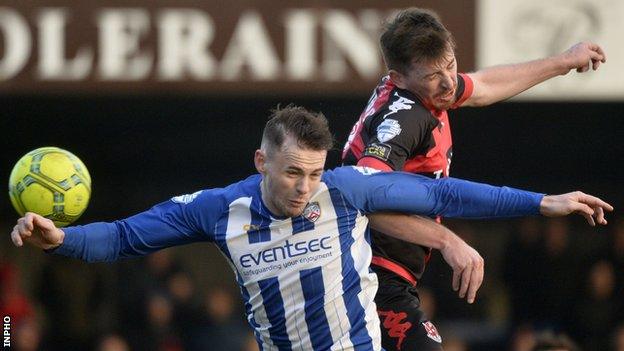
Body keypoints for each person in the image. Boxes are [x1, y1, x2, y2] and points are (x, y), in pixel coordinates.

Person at [11, 106, 612, 351]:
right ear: (260, 162)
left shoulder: (343, 190)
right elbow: (120, 236)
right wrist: (61, 239)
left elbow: (443, 191)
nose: (304, 187)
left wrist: (543, 203)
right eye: (292, 173)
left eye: (314, 173)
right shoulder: (217, 210)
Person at [342, 7, 607, 350]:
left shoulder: (427, 91)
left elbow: (482, 85)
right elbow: (365, 200)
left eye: (450, 65)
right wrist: (447, 240)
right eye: (434, 74)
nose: (449, 82)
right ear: (398, 77)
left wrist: (564, 61)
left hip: (383, 276)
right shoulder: (404, 117)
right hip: (369, 276)